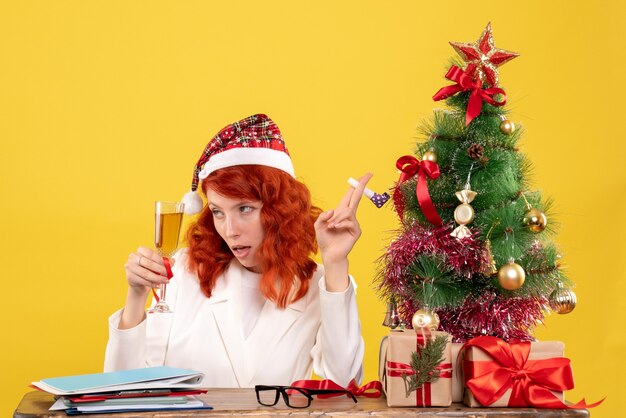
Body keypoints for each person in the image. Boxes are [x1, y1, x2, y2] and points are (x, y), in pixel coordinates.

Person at [104, 114, 371, 388]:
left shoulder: (316, 286)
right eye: (218, 212)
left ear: (281, 211)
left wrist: (336, 263)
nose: (230, 230)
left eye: (244, 209)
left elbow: (345, 383)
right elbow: (121, 386)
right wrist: (136, 296)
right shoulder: (184, 270)